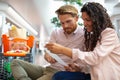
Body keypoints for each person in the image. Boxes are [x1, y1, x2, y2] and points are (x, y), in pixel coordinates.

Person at [45, 2, 120, 80]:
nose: (85, 24)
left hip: (107, 77)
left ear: (97, 19)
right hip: (93, 76)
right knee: (59, 76)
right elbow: (88, 59)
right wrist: (78, 67)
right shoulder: (93, 36)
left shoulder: (109, 33)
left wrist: (63, 50)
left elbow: (95, 57)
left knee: (59, 76)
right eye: (84, 20)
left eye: (87, 20)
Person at [11, 5, 85, 80]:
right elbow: (48, 52)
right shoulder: (56, 32)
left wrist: (79, 67)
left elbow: (88, 59)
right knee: (16, 62)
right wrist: (48, 56)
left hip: (60, 72)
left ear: (76, 18)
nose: (65, 26)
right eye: (62, 23)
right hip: (48, 68)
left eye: (68, 21)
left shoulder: (84, 34)